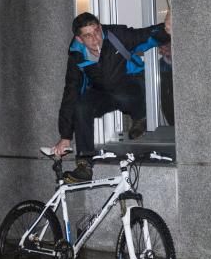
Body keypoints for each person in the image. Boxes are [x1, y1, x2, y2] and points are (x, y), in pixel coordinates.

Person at [51, 11, 172, 182]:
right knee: (81, 105)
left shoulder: (117, 35)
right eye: (88, 36)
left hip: (131, 84)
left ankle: (140, 117)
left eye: (96, 32)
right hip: (103, 92)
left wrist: (165, 29)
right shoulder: (77, 55)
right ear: (79, 39)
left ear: (100, 28)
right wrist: (65, 136)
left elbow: (144, 36)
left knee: (123, 94)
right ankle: (84, 164)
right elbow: (71, 91)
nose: (95, 39)